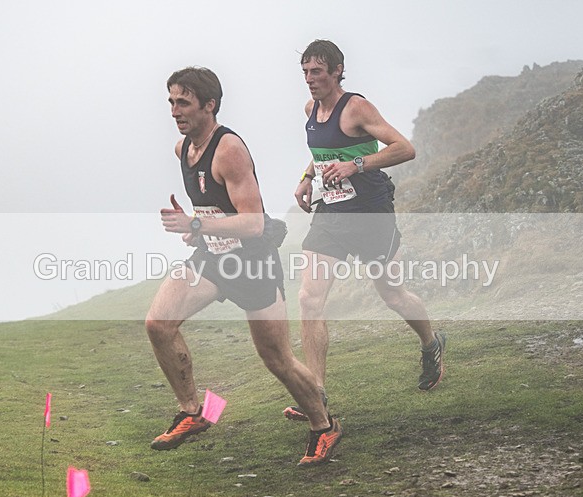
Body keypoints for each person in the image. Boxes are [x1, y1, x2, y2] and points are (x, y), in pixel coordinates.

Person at [145, 66, 342, 465]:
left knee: (277, 359)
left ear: (209, 105)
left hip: (252, 263)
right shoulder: (183, 149)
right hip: (212, 257)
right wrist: (199, 231)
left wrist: (196, 224)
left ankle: (324, 426)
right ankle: (191, 412)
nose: (175, 111)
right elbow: (216, 209)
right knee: (158, 324)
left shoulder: (229, 149)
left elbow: (252, 224)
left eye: (184, 103)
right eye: (171, 102)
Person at [284, 40, 447, 421]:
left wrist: (356, 164)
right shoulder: (311, 110)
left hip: (371, 213)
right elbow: (323, 152)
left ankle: (431, 343)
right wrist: (307, 177)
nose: (309, 79)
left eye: (317, 71)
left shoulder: (356, 108)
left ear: (337, 71)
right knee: (309, 298)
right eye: (305, 72)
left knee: (393, 294)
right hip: (331, 214)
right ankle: (316, 394)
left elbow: (404, 148)